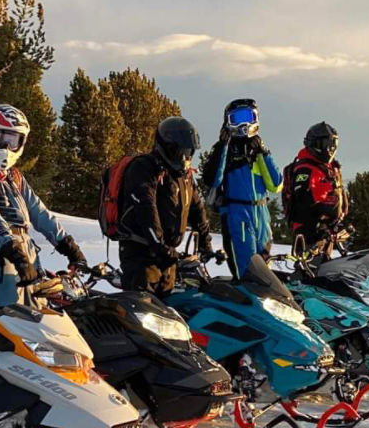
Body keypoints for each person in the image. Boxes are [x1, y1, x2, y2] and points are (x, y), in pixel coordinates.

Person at [0, 104, 86, 310]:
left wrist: (67, 245)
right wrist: (14, 253)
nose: (6, 147)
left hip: (26, 250)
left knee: (41, 315)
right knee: (11, 318)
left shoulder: (13, 177)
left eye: (12, 140)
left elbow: (39, 213)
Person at [117, 116, 214, 297]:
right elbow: (146, 207)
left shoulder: (184, 177)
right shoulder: (144, 168)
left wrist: (205, 243)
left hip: (168, 257)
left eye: (189, 152)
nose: (186, 158)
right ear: (169, 148)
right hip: (141, 254)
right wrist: (159, 245)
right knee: (143, 312)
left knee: (167, 314)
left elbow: (196, 209)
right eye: (182, 151)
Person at [201, 99, 283, 278]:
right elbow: (212, 179)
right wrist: (223, 147)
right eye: (236, 119)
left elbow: (275, 184)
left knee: (265, 273)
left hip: (261, 214)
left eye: (248, 117)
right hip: (237, 215)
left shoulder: (258, 149)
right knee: (246, 271)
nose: (243, 124)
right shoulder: (224, 149)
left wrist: (263, 153)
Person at [282, 121, 349, 262]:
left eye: (332, 144)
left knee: (323, 271)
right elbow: (303, 201)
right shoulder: (305, 168)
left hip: (327, 231)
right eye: (325, 144)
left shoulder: (330, 168)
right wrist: (323, 215)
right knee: (309, 271)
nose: (329, 149)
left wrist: (337, 216)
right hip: (310, 231)